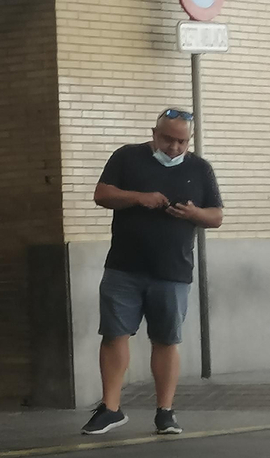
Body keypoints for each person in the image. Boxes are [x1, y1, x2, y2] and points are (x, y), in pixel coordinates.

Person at [82, 109, 223, 437]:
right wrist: (138, 198)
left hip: (172, 270)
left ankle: (165, 412)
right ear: (154, 133)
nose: (174, 147)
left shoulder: (199, 168)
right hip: (124, 267)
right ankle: (111, 408)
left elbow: (216, 216)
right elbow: (102, 194)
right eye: (168, 139)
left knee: (166, 339)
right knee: (114, 334)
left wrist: (193, 213)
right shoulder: (128, 157)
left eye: (182, 141)